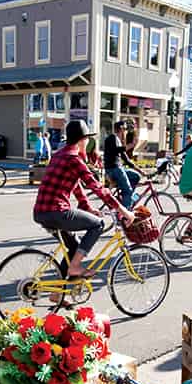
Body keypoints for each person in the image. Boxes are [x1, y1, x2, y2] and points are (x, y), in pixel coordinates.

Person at [34, 120, 134, 279]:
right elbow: (97, 188)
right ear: (82, 140)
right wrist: (124, 210)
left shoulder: (59, 154)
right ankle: (74, 267)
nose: (88, 142)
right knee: (98, 224)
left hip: (41, 211)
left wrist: (87, 207)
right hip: (57, 211)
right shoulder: (74, 159)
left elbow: (76, 186)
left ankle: (57, 294)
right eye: (87, 138)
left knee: (74, 247)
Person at [103, 120, 141, 207]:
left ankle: (125, 197)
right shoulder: (112, 138)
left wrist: (141, 171)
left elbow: (126, 159)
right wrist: (128, 146)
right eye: (125, 129)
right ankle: (125, 215)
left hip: (118, 168)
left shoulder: (119, 140)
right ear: (121, 129)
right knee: (128, 190)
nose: (126, 131)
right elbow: (116, 150)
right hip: (114, 169)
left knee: (136, 176)